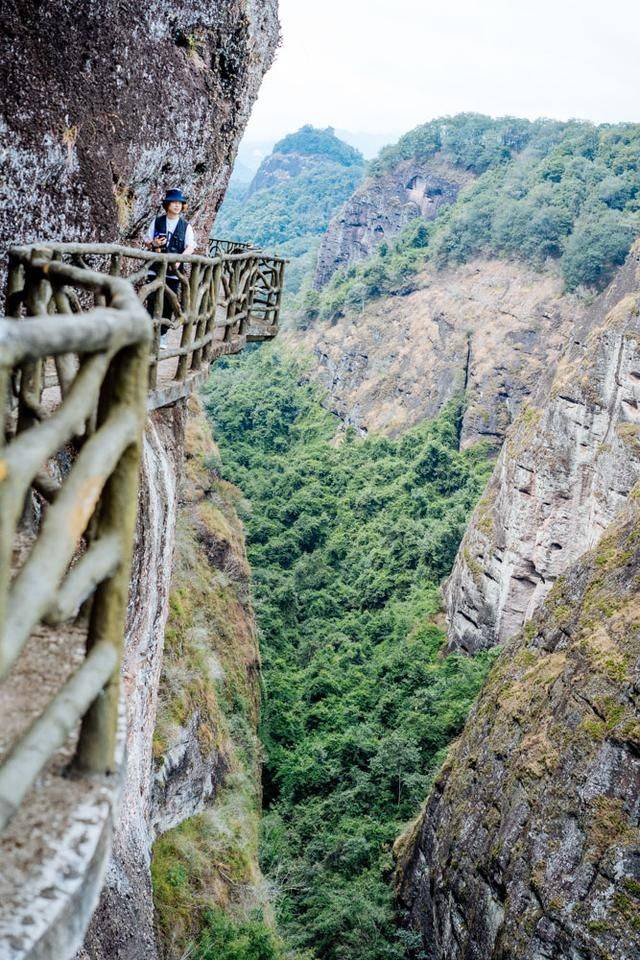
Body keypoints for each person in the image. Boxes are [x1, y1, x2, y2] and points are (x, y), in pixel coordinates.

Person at [144, 188, 196, 344]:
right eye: (173, 202)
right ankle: (148, 333)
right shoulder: (157, 221)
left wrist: (180, 259)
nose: (177, 205)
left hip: (173, 272)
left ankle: (162, 335)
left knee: (169, 301)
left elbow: (190, 246)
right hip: (156, 268)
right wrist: (154, 243)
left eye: (179, 203)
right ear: (167, 205)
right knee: (151, 300)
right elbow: (147, 240)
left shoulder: (186, 226)